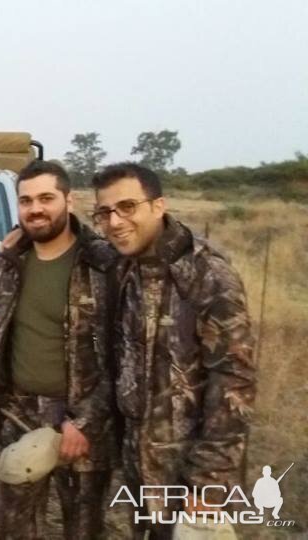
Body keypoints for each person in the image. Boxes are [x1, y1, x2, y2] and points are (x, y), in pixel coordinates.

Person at [0, 160, 117, 538]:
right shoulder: (11, 261)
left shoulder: (104, 265)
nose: (35, 209)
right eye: (26, 201)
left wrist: (86, 420)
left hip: (82, 418)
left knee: (83, 527)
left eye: (46, 198)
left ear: (69, 201)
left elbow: (127, 354)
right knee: (7, 525)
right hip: (19, 412)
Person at [91, 162, 256, 538]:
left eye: (127, 207)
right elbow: (79, 243)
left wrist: (208, 484)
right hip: (139, 467)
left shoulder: (208, 275)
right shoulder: (124, 265)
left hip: (190, 476)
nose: (115, 222)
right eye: (105, 212)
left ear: (159, 205)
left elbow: (236, 381)